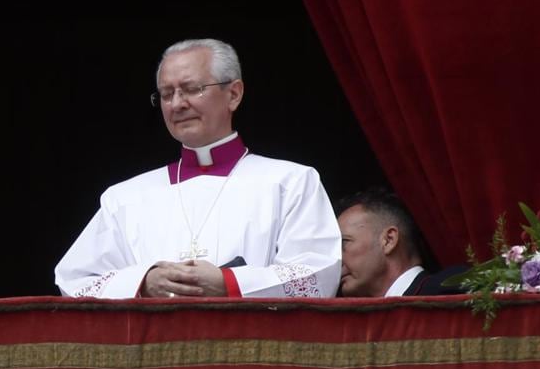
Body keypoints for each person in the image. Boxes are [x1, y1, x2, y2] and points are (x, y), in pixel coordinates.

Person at [55, 37, 340, 299]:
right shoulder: (124, 197)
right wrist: (143, 282)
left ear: (234, 94)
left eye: (192, 89)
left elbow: (318, 273)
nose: (177, 104)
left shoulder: (291, 182)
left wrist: (229, 283)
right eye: (166, 94)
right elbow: (75, 281)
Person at [335, 187, 467, 297]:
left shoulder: (452, 291)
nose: (335, 260)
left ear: (389, 240)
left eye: (343, 244)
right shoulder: (363, 320)